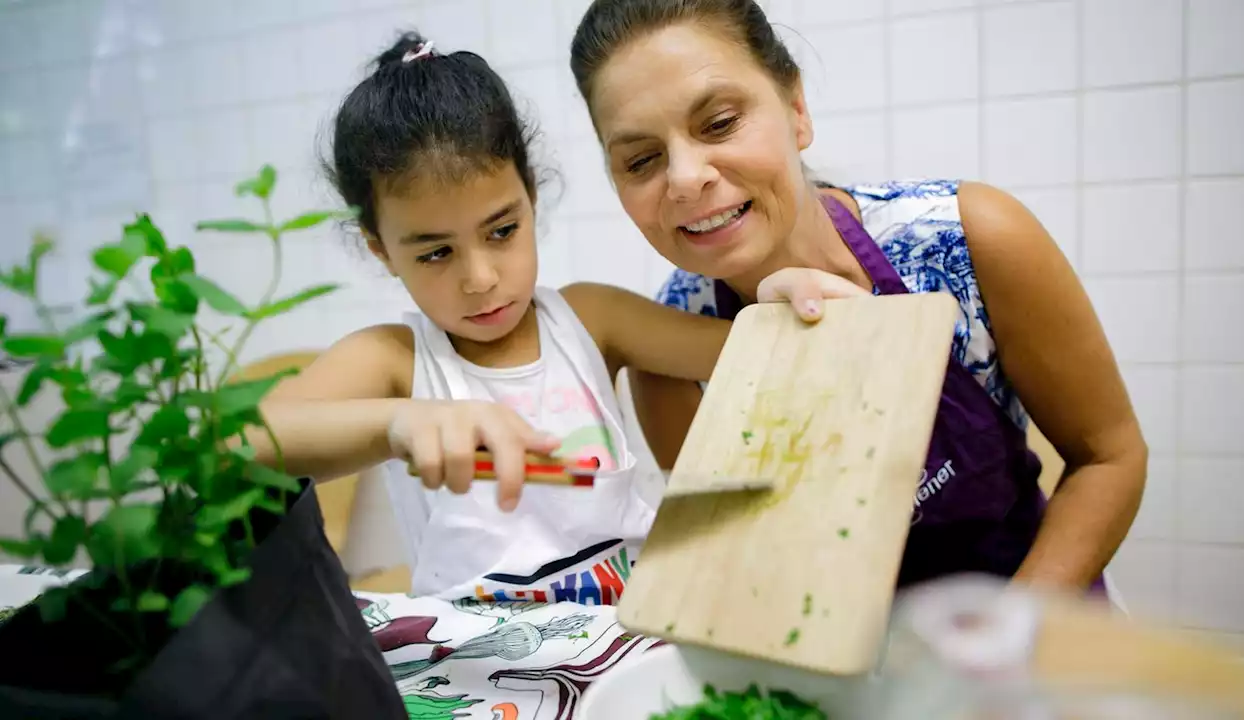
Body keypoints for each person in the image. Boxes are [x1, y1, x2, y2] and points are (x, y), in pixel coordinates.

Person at [568, 0, 1148, 594]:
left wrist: (1007, 635)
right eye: (641, 160)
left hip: (1029, 619)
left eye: (719, 123)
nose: (686, 178)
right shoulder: (668, 344)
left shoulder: (968, 239)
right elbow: (740, 564)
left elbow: (1109, 459)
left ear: (796, 109)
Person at [248, 31, 845, 605]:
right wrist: (395, 424)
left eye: (502, 230)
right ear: (381, 248)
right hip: (482, 677)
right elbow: (237, 442)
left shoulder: (591, 318)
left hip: (621, 645)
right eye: (435, 252)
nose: (479, 277)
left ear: (532, 195)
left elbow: (745, 348)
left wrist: (780, 298)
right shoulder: (391, 360)